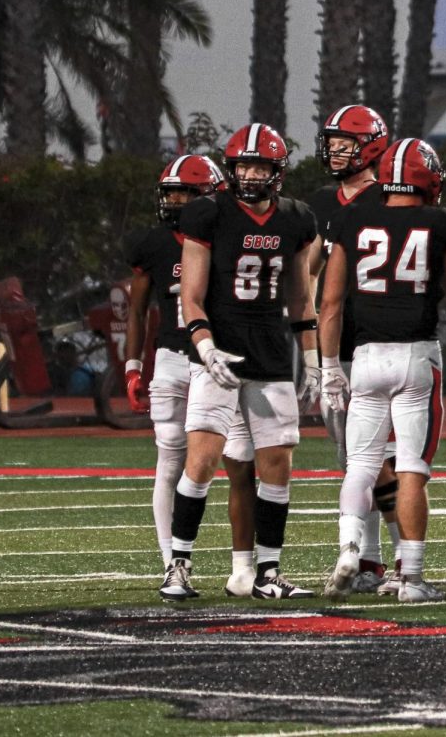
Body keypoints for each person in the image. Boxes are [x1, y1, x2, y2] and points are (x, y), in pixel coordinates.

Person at [161, 123, 319, 601]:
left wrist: (313, 361)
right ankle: (178, 565)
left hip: (271, 352)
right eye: (244, 164)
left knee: (276, 465)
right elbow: (191, 294)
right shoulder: (208, 214)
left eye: (259, 165)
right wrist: (205, 347)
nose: (250, 174)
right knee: (203, 460)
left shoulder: (296, 219)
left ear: (277, 170)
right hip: (219, 351)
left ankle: (267, 574)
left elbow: (300, 294)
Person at [320, 137, 446, 602]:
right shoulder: (441, 222)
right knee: (410, 468)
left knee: (360, 465)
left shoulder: (352, 217)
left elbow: (330, 301)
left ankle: (349, 548)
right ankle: (411, 578)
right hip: (415, 356)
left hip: (364, 357)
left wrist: (327, 366)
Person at [122, 155, 264, 596]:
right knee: (170, 461)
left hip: (219, 358)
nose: (176, 200)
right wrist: (132, 365)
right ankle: (172, 563)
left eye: (185, 191)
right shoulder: (154, 242)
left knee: (238, 458)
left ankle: (245, 566)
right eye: (170, 192)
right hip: (170, 356)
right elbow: (138, 309)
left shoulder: (231, 236)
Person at [307, 104, 401, 594]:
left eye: (346, 143)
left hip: (380, 340)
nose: (335, 151)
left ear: (370, 147)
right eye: (334, 143)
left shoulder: (391, 198)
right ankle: (375, 562)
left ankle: (391, 558)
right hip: (336, 344)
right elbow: (310, 281)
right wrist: (313, 353)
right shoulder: (321, 205)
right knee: (354, 459)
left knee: (376, 458)